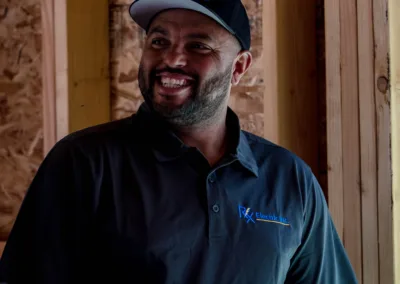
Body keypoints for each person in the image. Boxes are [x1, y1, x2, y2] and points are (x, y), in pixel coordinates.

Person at [0, 0, 358, 283]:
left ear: (238, 68)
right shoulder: (84, 164)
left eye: (198, 45)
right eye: (159, 41)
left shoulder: (288, 179)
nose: (171, 58)